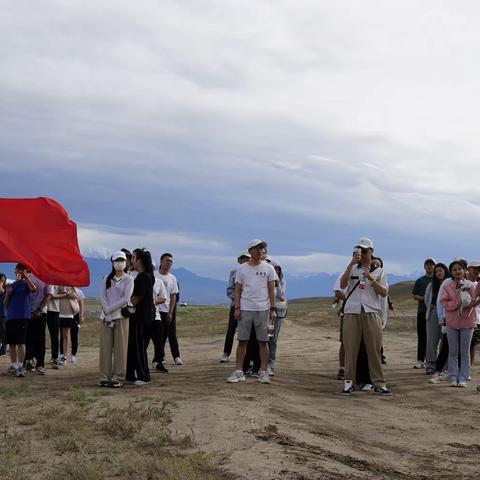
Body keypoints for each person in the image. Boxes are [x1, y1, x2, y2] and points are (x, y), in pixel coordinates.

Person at [339, 238, 391, 396]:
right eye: (359, 250)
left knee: (374, 349)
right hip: (352, 312)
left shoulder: (379, 271)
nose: (362, 253)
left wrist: (371, 278)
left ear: (372, 252)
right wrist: (351, 263)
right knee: (350, 348)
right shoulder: (353, 268)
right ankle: (349, 382)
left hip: (371, 311)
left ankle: (379, 383)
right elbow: (342, 284)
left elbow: (383, 293)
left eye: (365, 251)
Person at [227, 239, 277, 385]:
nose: (260, 251)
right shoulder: (242, 269)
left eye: (262, 248)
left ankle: (263, 372)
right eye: (257, 248)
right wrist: (237, 307)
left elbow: (271, 289)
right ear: (250, 251)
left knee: (263, 341)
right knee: (242, 340)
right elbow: (238, 289)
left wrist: (272, 308)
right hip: (245, 308)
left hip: (262, 309)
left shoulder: (269, 268)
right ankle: (238, 372)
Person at [98, 251, 134, 387]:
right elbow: (102, 296)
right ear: (112, 263)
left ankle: (118, 376)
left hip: (120, 317)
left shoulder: (129, 279)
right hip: (106, 317)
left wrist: (109, 309)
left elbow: (126, 298)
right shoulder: (106, 278)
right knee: (105, 348)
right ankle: (104, 376)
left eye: (122, 260)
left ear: (125, 262)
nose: (120, 263)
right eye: (117, 260)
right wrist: (106, 311)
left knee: (120, 348)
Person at [440, 260, 477, 387]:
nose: (457, 271)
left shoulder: (470, 285)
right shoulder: (447, 286)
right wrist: (457, 304)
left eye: (459, 269)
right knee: (453, 352)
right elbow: (443, 302)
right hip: (452, 323)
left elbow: (473, 301)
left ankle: (464, 377)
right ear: (451, 272)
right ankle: (453, 376)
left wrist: (472, 302)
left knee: (465, 352)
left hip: (467, 322)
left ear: (464, 270)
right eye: (454, 269)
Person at [125, 248, 154, 385]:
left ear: (139, 260)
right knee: (134, 345)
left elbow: (136, 298)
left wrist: (123, 304)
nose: (131, 260)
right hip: (143, 316)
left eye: (133, 257)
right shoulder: (147, 275)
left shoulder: (143, 277)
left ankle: (143, 375)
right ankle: (131, 374)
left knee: (138, 346)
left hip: (140, 316)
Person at [3, 264, 36, 377]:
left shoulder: (26, 284)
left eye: (22, 269)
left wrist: (26, 277)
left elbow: (33, 289)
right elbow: (5, 304)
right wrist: (8, 294)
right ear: (15, 271)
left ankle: (21, 366)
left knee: (21, 342)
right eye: (18, 269)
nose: (20, 271)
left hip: (23, 316)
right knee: (11, 342)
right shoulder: (10, 286)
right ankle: (14, 366)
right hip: (11, 317)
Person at [220, 251, 251, 363]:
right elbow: (229, 290)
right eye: (243, 259)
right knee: (231, 330)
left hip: (249, 307)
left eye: (247, 259)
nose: (245, 261)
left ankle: (247, 356)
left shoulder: (253, 272)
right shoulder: (234, 272)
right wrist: (238, 298)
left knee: (248, 332)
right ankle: (226, 353)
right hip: (235, 305)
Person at [24, 272, 53, 374]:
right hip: (27, 312)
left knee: (39, 338)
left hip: (40, 313)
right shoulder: (28, 276)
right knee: (27, 338)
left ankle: (40, 364)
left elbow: (49, 295)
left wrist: (40, 309)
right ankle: (28, 361)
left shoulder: (47, 277)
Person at [424, 263, 449, 375]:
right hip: (433, 313)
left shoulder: (450, 284)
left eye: (440, 270)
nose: (438, 273)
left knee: (446, 341)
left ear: (445, 271)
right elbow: (426, 300)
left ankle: (444, 366)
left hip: (448, 314)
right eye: (437, 271)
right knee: (432, 340)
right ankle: (430, 365)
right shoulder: (431, 285)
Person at [157, 253, 182, 366]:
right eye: (167, 260)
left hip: (168, 310)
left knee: (171, 334)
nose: (169, 263)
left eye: (171, 261)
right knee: (159, 336)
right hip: (156, 310)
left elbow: (174, 295)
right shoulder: (154, 275)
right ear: (161, 262)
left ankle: (176, 356)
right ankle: (159, 358)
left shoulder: (173, 278)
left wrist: (171, 311)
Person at [412, 258, 436, 369]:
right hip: (422, 312)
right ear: (424, 267)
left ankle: (431, 360)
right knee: (422, 337)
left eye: (431, 265)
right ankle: (420, 360)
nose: (429, 267)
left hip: (434, 313)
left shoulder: (438, 280)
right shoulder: (420, 280)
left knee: (433, 338)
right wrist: (424, 298)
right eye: (427, 265)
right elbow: (414, 295)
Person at [267, 260, 287, 376]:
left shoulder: (282, 282)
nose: (276, 272)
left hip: (277, 312)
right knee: (263, 338)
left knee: (273, 338)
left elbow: (280, 294)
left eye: (278, 271)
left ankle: (271, 362)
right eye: (275, 270)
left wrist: (277, 282)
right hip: (265, 310)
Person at [148, 265, 168, 372]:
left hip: (156, 316)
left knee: (159, 342)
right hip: (144, 317)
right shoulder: (139, 280)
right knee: (143, 342)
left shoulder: (158, 282)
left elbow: (163, 298)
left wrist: (152, 302)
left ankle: (158, 362)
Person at [58, 286, 79, 364]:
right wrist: (63, 294)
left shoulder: (71, 286)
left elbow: (75, 296)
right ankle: (59, 355)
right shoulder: (58, 285)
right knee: (60, 335)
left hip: (68, 314)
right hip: (58, 311)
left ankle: (64, 356)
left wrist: (66, 294)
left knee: (66, 335)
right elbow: (53, 295)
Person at [0, 273, 7, 357]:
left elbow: (1, 291)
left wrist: (1, 282)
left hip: (3, 314)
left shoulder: (5, 288)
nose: (3, 280)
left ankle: (3, 351)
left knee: (3, 333)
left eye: (3, 279)